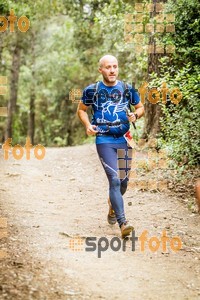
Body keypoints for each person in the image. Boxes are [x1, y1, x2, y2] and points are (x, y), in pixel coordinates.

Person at [77, 54, 144, 238]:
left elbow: (140, 107)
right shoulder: (92, 90)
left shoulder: (127, 88)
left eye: (115, 66)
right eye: (108, 67)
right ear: (101, 70)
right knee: (114, 180)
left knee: (123, 183)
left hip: (124, 139)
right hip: (104, 139)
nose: (112, 70)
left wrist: (135, 116)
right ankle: (123, 224)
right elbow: (81, 110)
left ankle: (112, 205)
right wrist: (88, 125)